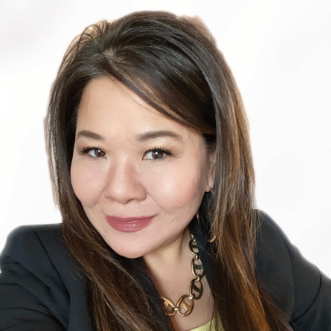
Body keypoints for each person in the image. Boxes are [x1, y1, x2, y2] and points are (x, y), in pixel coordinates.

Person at [0, 11, 330, 331]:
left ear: (213, 164)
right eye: (95, 151)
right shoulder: (39, 269)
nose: (120, 189)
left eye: (156, 153)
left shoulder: (255, 245)